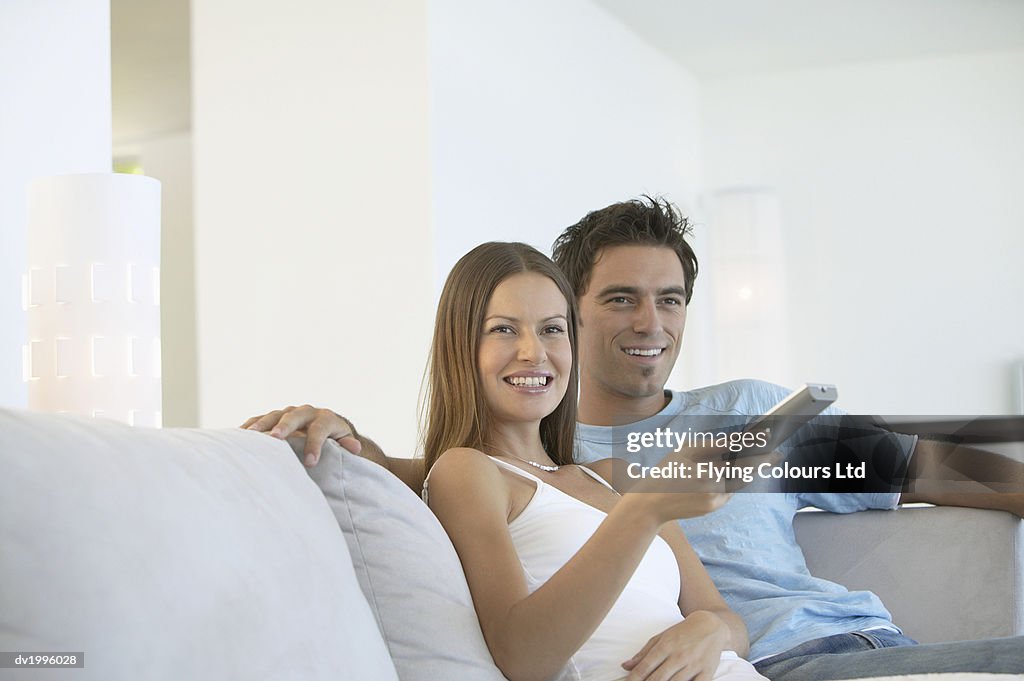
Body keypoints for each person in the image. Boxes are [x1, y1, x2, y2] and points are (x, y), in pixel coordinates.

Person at [244, 197, 1024, 680]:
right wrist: (346, 434)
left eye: (671, 300)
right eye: (620, 299)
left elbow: (933, 466)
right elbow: (429, 470)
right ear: (577, 312)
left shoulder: (742, 418)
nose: (651, 323)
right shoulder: (575, 463)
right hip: (786, 666)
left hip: (866, 637)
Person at [408, 241, 767, 681]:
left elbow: (724, 618)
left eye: (552, 329)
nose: (533, 352)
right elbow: (524, 658)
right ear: (460, 344)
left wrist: (710, 630)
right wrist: (646, 510)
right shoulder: (468, 471)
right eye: (503, 329)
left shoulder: (615, 476)